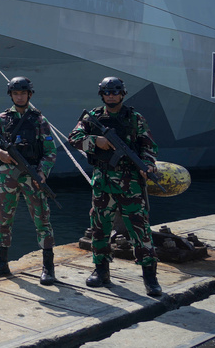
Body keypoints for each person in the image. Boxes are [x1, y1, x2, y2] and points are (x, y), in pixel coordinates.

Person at [68, 76, 162, 297]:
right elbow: (74, 138)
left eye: (115, 91)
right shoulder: (92, 117)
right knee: (99, 228)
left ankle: (150, 276)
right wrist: (95, 141)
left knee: (140, 229)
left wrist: (146, 165)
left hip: (130, 183)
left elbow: (149, 146)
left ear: (123, 93)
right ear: (102, 95)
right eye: (107, 92)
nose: (111, 95)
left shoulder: (135, 118)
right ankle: (101, 270)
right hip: (103, 182)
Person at [0, 77, 57, 285]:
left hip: (32, 176)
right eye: (16, 93)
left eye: (23, 93)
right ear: (11, 96)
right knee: (3, 218)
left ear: (29, 95)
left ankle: (48, 268)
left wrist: (42, 173)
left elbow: (50, 151)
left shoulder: (39, 120)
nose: (19, 96)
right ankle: (2, 263)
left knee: (42, 219)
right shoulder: (2, 119)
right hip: (8, 175)